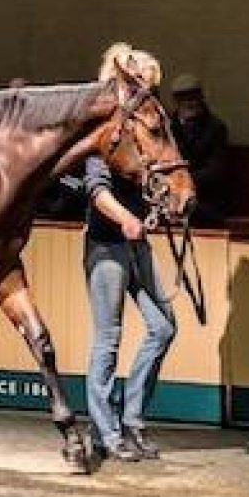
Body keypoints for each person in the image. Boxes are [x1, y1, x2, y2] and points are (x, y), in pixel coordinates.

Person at [81, 68, 177, 464]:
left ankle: (132, 417)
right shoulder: (105, 135)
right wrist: (126, 218)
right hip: (107, 247)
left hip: (136, 247)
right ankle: (106, 430)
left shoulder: (144, 139)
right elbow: (97, 191)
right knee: (109, 337)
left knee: (164, 327)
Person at [167, 73, 232, 227]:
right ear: (175, 101)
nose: (190, 102)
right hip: (171, 199)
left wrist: (182, 180)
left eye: (194, 97)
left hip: (206, 201)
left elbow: (216, 171)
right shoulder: (167, 127)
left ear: (202, 98)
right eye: (184, 98)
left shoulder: (216, 128)